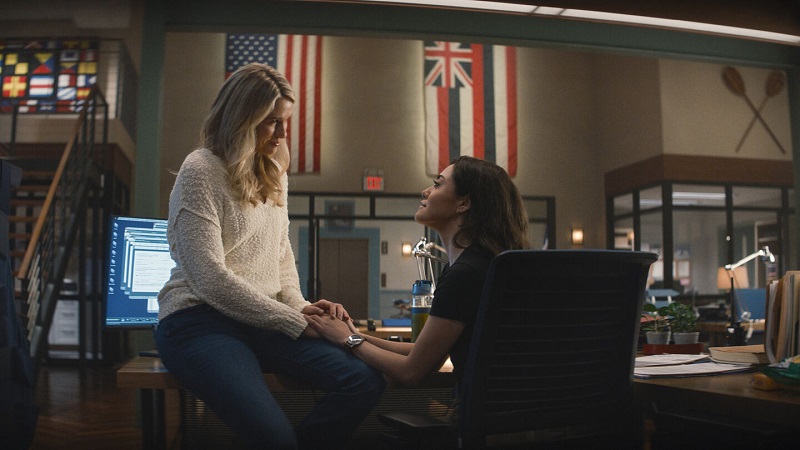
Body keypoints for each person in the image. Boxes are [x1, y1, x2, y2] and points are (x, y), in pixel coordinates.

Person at [154, 63, 384, 450]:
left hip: (262, 319)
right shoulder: (200, 170)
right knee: (273, 437)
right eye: (271, 122)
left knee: (363, 381)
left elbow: (280, 255)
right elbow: (209, 277)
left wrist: (302, 306)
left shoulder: (274, 171)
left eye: (285, 121)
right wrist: (294, 321)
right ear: (241, 118)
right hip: (199, 320)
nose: (282, 133)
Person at [306, 155, 529, 420]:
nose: (426, 191)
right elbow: (427, 356)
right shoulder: (487, 264)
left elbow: (411, 371)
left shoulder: (464, 274)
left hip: (482, 422)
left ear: (464, 203)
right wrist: (356, 334)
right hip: (519, 420)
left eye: (437, 184)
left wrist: (347, 340)